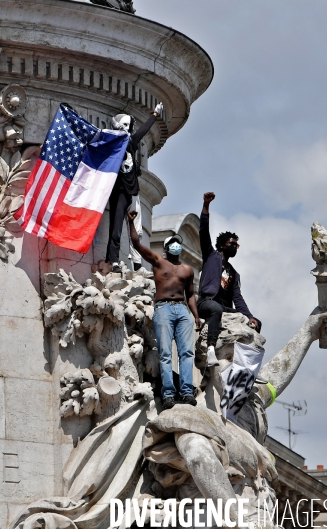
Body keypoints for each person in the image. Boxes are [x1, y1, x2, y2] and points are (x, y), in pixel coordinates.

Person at [128, 210, 200, 410]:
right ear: (167, 248)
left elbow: (191, 294)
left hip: (182, 310)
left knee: (187, 352)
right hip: (163, 309)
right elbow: (137, 245)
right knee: (166, 353)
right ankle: (168, 393)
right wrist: (131, 222)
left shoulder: (187, 269)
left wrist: (196, 316)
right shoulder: (159, 262)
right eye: (173, 243)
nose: (176, 245)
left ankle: (186, 392)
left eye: (178, 242)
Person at [198, 192, 260, 367]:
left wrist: (249, 316)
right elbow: (203, 231)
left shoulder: (234, 272)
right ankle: (211, 348)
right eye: (231, 244)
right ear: (222, 245)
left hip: (225, 308)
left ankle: (250, 364)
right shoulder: (211, 256)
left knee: (253, 323)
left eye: (236, 245)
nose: (234, 247)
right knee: (216, 309)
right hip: (206, 302)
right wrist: (206, 206)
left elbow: (237, 298)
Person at [106, 103, 163, 273]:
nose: (126, 129)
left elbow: (142, 131)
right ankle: (113, 260)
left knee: (137, 231)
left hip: (133, 192)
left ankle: (137, 263)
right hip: (120, 191)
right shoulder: (114, 146)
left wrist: (154, 115)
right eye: (122, 125)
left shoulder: (131, 143)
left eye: (128, 126)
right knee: (115, 227)